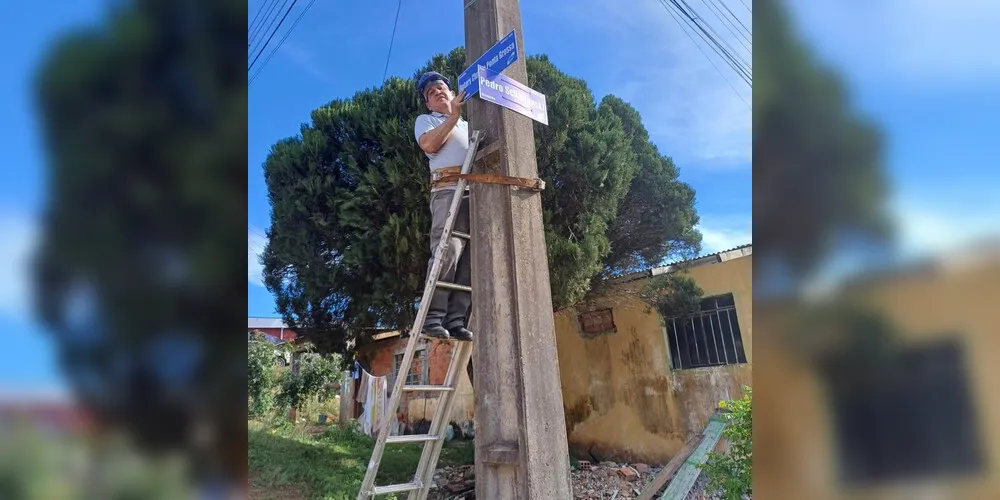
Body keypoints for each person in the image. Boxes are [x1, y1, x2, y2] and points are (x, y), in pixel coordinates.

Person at [412, 71, 473, 341]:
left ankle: (457, 319)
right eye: (430, 93)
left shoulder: (469, 124)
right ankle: (433, 317)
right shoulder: (426, 121)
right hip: (447, 190)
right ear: (428, 104)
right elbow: (430, 144)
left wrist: (458, 118)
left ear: (451, 92)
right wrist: (453, 117)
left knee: (470, 259)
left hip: (475, 192)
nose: (436, 92)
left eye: (440, 87)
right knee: (447, 251)